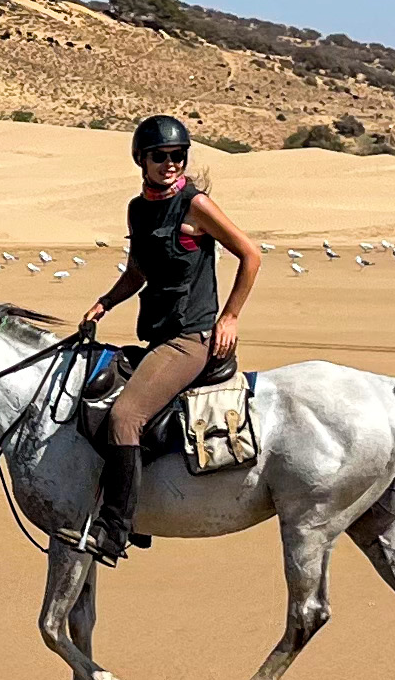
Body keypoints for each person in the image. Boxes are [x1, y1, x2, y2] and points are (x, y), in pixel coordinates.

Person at [68, 116, 262, 562]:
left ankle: (116, 530)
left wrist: (230, 317)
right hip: (156, 336)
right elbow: (137, 271)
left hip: (190, 339)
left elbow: (250, 255)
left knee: (125, 417)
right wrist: (105, 302)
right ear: (142, 160)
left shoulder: (196, 205)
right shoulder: (138, 210)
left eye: (178, 155)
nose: (170, 163)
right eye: (161, 156)